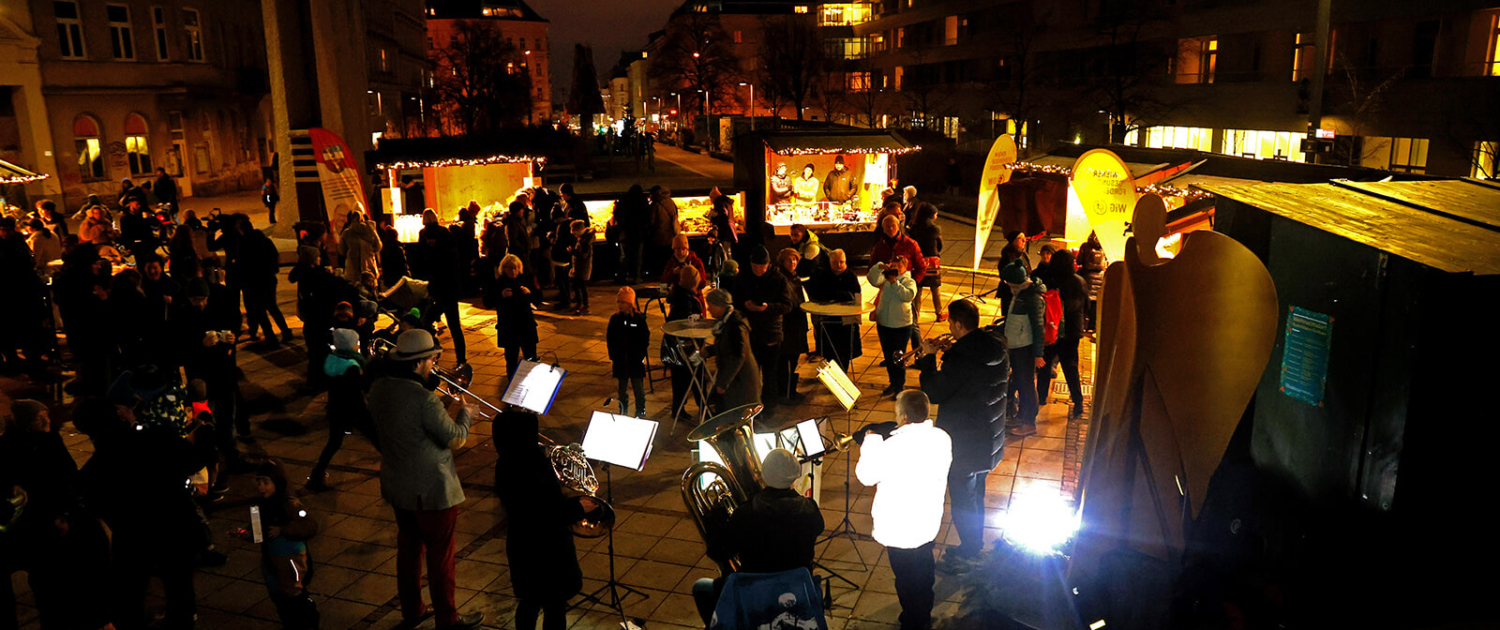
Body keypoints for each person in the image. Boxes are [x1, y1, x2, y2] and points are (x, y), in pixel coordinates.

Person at [366, 329, 485, 630]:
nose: (434, 364)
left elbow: (413, 424)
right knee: (440, 558)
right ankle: (448, 618)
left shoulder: (379, 389)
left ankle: (413, 610)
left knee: (408, 552)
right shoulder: (424, 399)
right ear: (419, 362)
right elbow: (455, 438)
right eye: (432, 359)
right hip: (433, 491)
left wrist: (445, 403)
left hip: (398, 486)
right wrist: (467, 413)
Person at [915, 299, 1007, 571]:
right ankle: (974, 544)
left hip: (964, 443)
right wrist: (953, 349)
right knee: (976, 494)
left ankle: (969, 552)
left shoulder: (960, 359)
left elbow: (935, 392)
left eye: (951, 326)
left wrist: (930, 358)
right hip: (989, 438)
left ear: (957, 324)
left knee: (963, 501)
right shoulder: (996, 347)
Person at [694, 448, 825, 626]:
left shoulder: (746, 513)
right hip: (798, 591)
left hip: (753, 595)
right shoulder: (809, 508)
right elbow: (818, 528)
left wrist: (715, 519)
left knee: (701, 587)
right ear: (796, 475)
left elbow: (717, 551)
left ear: (763, 474)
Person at [856, 390, 951, 630]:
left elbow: (866, 476)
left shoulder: (890, 446)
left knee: (905, 579)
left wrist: (871, 441)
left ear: (904, 415)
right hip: (927, 522)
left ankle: (913, 620)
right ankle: (922, 616)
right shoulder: (942, 438)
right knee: (924, 575)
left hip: (899, 527)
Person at [492, 410, 586, 630]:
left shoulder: (506, 461)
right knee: (554, 606)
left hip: (521, 546)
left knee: (530, 601)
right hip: (547, 550)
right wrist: (579, 507)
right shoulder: (532, 467)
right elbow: (547, 513)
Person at [246, 460, 320, 629]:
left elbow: (309, 525)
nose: (261, 487)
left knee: (293, 595)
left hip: (290, 558)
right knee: (277, 594)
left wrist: (284, 529)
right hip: (270, 558)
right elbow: (257, 531)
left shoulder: (290, 504)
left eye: (266, 482)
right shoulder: (260, 506)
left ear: (277, 482)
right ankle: (290, 622)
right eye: (259, 482)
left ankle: (305, 623)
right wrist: (248, 533)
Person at [308, 329, 375, 491]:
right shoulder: (352, 366)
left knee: (333, 442)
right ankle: (398, 467)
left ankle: (317, 475)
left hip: (336, 409)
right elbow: (359, 389)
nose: (358, 345)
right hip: (354, 409)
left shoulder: (332, 359)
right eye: (356, 342)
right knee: (376, 437)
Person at [736, 245, 792, 413]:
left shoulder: (778, 279)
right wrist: (744, 304)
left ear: (768, 264)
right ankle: (750, 407)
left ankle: (769, 409)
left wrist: (767, 307)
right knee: (750, 375)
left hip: (770, 333)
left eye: (762, 267)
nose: (759, 270)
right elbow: (735, 300)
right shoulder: (743, 277)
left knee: (769, 375)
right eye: (755, 267)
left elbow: (787, 305)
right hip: (749, 332)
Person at [1037, 249, 1088, 420]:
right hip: (1072, 332)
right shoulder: (1080, 282)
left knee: (1044, 364)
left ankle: (1041, 397)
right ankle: (1078, 402)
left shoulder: (1051, 281)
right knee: (1071, 368)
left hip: (1052, 331)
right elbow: (1085, 306)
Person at [1000, 261, 1047, 437]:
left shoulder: (1032, 298)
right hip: (1017, 345)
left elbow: (1038, 327)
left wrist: (1038, 354)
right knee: (1020, 382)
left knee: (1026, 385)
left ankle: (1029, 423)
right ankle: (1021, 416)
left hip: (1024, 348)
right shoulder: (1020, 293)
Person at [417, 209, 467, 364]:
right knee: (454, 327)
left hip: (437, 289)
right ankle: (461, 359)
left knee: (426, 322)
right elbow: (455, 263)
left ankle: (432, 353)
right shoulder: (446, 236)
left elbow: (422, 263)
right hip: (449, 289)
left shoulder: (424, 237)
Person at [868, 254, 917, 398]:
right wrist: (879, 267)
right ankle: (892, 383)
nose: (895, 269)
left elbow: (908, 296)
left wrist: (895, 283)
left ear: (905, 267)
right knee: (888, 357)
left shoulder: (909, 281)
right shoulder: (885, 280)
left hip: (901, 326)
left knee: (898, 358)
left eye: (898, 266)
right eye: (893, 266)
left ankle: (899, 386)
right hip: (884, 324)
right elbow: (872, 279)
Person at [804, 249, 861, 371]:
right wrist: (839, 295)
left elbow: (855, 296)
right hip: (828, 320)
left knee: (845, 354)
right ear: (830, 262)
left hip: (846, 321)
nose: (839, 265)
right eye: (835, 262)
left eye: (842, 262)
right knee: (829, 353)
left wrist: (835, 295)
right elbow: (818, 295)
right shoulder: (821, 275)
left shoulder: (851, 276)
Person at [705, 288, 760, 411]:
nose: (708, 309)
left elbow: (738, 355)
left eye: (711, 305)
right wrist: (709, 351)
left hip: (741, 382)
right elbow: (727, 345)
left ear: (720, 306)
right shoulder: (725, 322)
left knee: (737, 417)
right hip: (735, 380)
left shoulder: (736, 325)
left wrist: (723, 383)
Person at [487, 254, 540, 383]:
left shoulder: (525, 279)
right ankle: (512, 383)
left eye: (515, 268)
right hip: (509, 327)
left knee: (531, 356)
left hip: (526, 325)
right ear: (503, 269)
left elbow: (538, 299)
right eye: (510, 268)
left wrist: (530, 293)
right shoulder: (499, 283)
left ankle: (531, 382)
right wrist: (501, 295)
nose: (513, 271)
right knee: (511, 359)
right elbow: (487, 301)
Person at [665, 265, 707, 423]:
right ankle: (703, 408)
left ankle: (678, 408)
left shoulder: (678, 294)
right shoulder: (688, 300)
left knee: (680, 379)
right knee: (697, 377)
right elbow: (689, 325)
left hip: (676, 346)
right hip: (688, 347)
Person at [241, 224, 294, 344]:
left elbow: (243, 264)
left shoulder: (245, 243)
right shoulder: (265, 241)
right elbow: (275, 257)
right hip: (269, 278)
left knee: (260, 310)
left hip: (254, 281)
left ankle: (270, 335)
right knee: (272, 306)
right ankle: (285, 331)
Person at [607, 287, 650, 417]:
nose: (620, 305)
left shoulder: (638, 319)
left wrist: (640, 354)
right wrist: (613, 355)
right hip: (620, 360)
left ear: (630, 303)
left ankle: (640, 410)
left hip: (635, 360)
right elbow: (610, 338)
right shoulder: (615, 319)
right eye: (619, 302)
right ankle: (623, 409)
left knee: (638, 388)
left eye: (623, 302)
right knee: (622, 388)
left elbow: (644, 337)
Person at [775, 248, 808, 403]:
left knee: (794, 358)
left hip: (797, 322)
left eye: (795, 259)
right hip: (788, 324)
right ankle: (784, 392)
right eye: (789, 260)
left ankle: (790, 390)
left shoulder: (794, 278)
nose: (793, 262)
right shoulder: (781, 278)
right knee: (785, 359)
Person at [908, 204, 945, 323]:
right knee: (935, 289)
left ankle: (916, 315)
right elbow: (939, 245)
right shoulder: (935, 229)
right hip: (932, 261)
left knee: (918, 290)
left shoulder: (914, 228)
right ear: (931, 215)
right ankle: (939, 313)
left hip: (918, 260)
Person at [339, 211, 382, 283]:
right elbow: (378, 247)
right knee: (371, 290)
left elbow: (342, 251)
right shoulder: (370, 231)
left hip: (352, 270)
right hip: (370, 267)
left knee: (354, 291)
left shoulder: (347, 233)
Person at [648, 186, 680, 276]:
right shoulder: (670, 201)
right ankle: (669, 273)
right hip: (670, 234)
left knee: (659, 256)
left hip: (659, 234)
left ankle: (661, 274)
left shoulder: (656, 204)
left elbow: (651, 220)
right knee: (668, 256)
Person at [569, 219, 594, 315]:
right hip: (577, 267)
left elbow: (583, 255)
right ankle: (580, 304)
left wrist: (573, 252)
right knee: (576, 285)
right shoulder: (582, 239)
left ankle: (585, 306)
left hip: (583, 268)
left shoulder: (586, 241)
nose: (574, 236)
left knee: (582, 288)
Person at [378, 219, 409, 288]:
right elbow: (403, 264)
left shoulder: (384, 249)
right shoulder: (398, 248)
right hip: (399, 278)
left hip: (389, 279)